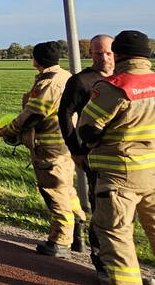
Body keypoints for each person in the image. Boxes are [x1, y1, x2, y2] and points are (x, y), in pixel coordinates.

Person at [77, 30, 155, 285]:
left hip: (119, 176)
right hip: (152, 172)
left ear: (118, 54)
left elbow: (87, 129)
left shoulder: (114, 87)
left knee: (117, 240)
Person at [0, 41, 85, 256]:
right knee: (66, 187)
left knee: (54, 191)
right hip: (64, 143)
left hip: (49, 146)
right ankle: (78, 227)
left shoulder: (48, 83)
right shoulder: (66, 76)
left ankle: (60, 241)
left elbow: (34, 113)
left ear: (35, 60)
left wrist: (10, 131)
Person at [58, 34, 115, 270]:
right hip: (96, 158)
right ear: (90, 54)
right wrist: (75, 150)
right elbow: (64, 114)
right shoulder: (81, 82)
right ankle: (101, 261)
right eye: (99, 53)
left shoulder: (125, 79)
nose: (105, 58)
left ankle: (123, 262)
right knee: (102, 209)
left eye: (109, 53)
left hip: (129, 159)